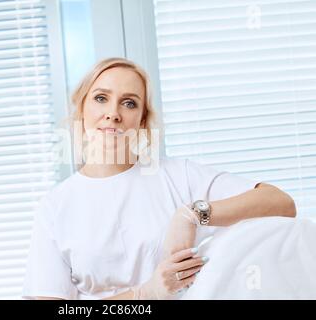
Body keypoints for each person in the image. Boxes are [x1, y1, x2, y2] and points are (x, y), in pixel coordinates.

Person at [21, 57, 298, 300]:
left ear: (142, 120)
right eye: (101, 98)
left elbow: (281, 203)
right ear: (82, 108)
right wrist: (147, 294)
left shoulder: (179, 177)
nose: (113, 114)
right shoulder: (55, 207)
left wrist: (192, 214)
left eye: (129, 103)